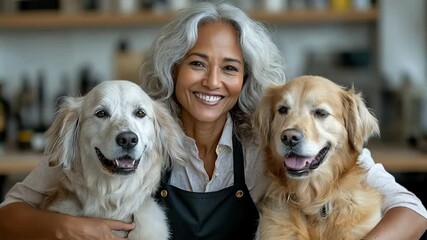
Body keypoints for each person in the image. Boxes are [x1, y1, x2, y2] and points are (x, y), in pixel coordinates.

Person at [0, 2, 426, 240]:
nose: (212, 82)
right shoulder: (138, 134)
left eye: (230, 69)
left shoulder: (268, 145)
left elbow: (410, 209)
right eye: (197, 63)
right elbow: (9, 214)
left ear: (246, 79)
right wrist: (64, 228)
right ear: (172, 69)